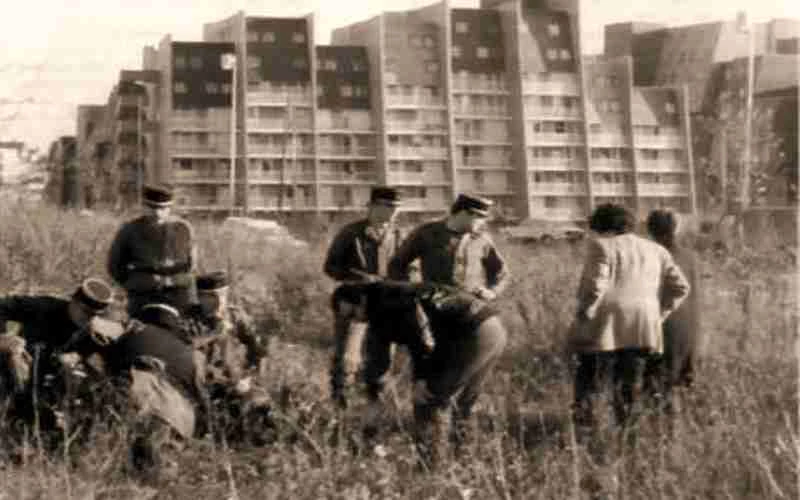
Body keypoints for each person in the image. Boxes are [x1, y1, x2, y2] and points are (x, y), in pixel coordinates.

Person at [388, 193, 511, 467]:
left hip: (474, 320)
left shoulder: (482, 240)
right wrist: (412, 291)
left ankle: (462, 455)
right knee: (436, 386)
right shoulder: (427, 234)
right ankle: (431, 457)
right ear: (461, 212)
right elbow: (397, 264)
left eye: (484, 218)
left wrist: (490, 292)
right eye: (478, 217)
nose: (481, 223)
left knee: (469, 394)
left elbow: (502, 274)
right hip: (437, 318)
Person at [567, 204, 691, 437]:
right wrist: (660, 314)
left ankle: (584, 431)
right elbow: (681, 287)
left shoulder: (601, 246)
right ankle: (627, 434)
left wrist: (584, 313)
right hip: (644, 328)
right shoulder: (657, 250)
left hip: (605, 327)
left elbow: (595, 287)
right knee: (629, 384)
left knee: (589, 380)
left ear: (602, 227)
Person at [323, 186, 404, 409]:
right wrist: (360, 278)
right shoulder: (350, 233)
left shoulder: (398, 235)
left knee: (382, 358)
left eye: (396, 208)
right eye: (388, 207)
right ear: (374, 207)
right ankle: (340, 405)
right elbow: (330, 267)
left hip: (386, 305)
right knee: (347, 357)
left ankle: (375, 406)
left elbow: (408, 269)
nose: (393, 212)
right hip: (354, 303)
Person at [0, 278, 115, 398]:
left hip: (49, 389)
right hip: (15, 369)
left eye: (94, 315)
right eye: (86, 312)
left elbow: (110, 365)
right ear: (74, 301)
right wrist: (6, 340)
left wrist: (79, 357)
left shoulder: (93, 334)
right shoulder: (43, 307)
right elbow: (2, 306)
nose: (89, 319)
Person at [107, 183, 197, 317]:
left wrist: (174, 280)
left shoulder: (184, 229)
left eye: (162, 208)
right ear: (144, 206)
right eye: (152, 207)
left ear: (170, 208)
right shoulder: (130, 230)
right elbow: (114, 265)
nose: (157, 212)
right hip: (143, 294)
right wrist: (135, 282)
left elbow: (191, 264)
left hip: (178, 293)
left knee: (180, 331)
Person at [646, 209, 702, 392]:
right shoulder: (690, 257)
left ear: (650, 231)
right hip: (690, 325)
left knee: (659, 385)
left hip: (664, 325)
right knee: (684, 383)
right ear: (676, 229)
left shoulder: (652, 257)